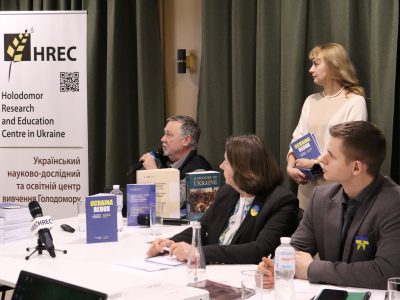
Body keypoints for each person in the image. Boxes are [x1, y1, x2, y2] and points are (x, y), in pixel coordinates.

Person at [259, 121, 400, 289]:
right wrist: (275, 266)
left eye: (331, 155)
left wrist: (313, 269)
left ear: (356, 167)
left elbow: (387, 273)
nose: (321, 159)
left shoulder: (394, 203)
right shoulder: (321, 197)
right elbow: (296, 249)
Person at [147, 134, 299, 264]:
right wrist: (171, 242)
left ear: (244, 169)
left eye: (226, 162)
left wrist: (198, 253)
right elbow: (203, 228)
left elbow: (259, 250)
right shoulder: (228, 191)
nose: (221, 166)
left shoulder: (281, 202)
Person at [287, 43, 368, 209]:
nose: (311, 69)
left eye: (316, 64)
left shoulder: (354, 102)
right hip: (307, 189)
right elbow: (298, 137)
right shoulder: (311, 100)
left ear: (334, 66)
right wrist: (290, 166)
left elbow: (352, 148)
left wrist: (316, 164)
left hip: (337, 190)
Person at [140, 115, 212, 208]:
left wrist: (154, 173)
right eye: (164, 134)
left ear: (186, 140)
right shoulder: (166, 162)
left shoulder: (199, 170)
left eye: (169, 135)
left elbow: (176, 202)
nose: (162, 139)